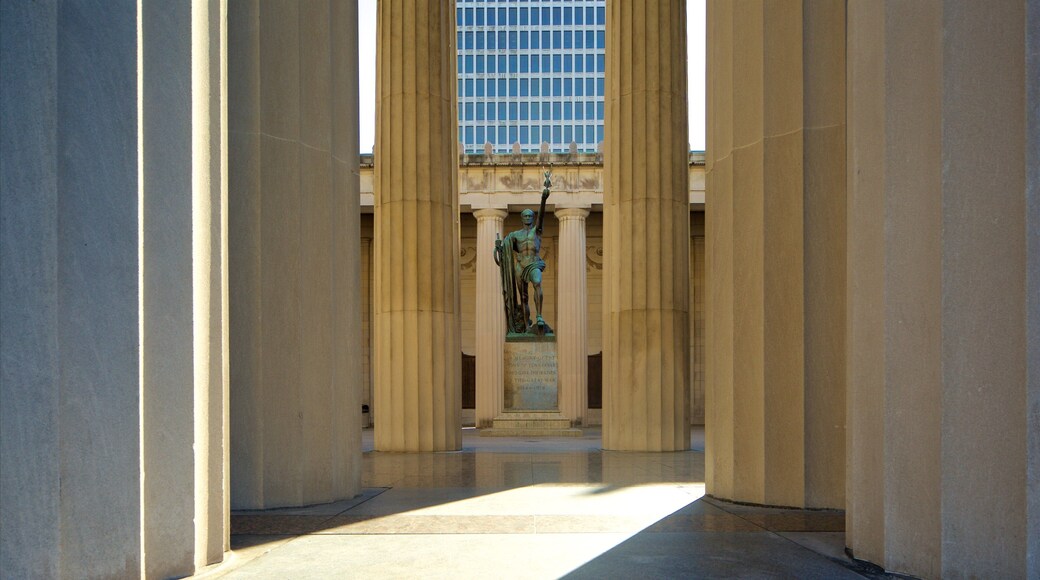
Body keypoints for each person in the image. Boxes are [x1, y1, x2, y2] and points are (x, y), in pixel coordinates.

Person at [495, 170, 553, 336]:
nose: (528, 217)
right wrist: (498, 247)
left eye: (530, 215)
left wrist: (543, 197)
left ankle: (539, 316)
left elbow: (542, 215)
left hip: (533, 263)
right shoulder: (515, 235)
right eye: (525, 215)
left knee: (537, 282)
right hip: (521, 265)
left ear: (533, 218)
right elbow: (505, 251)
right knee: (524, 298)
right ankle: (528, 327)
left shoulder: (537, 231)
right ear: (522, 218)